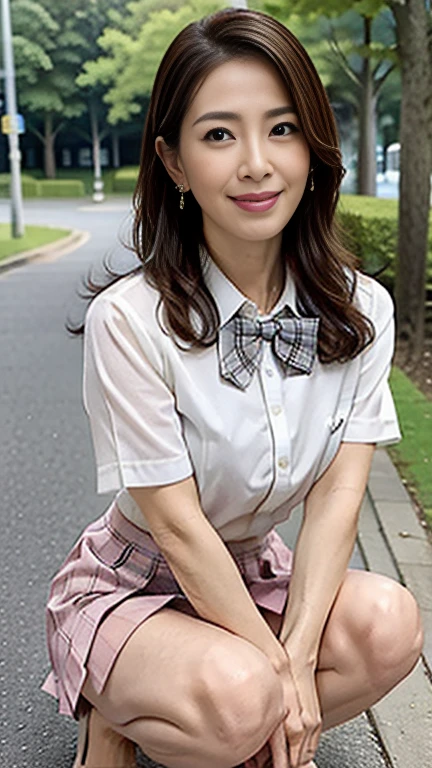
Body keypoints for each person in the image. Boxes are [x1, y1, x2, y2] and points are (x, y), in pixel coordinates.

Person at [41, 7, 423, 768]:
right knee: (248, 693)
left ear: (314, 148)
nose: (256, 163)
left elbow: (337, 505)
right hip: (135, 581)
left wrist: (297, 655)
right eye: (219, 134)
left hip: (257, 571)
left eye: (281, 129)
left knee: (392, 623)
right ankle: (119, 714)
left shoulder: (362, 311)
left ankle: (236, 720)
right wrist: (279, 677)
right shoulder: (132, 320)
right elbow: (178, 529)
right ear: (174, 163)